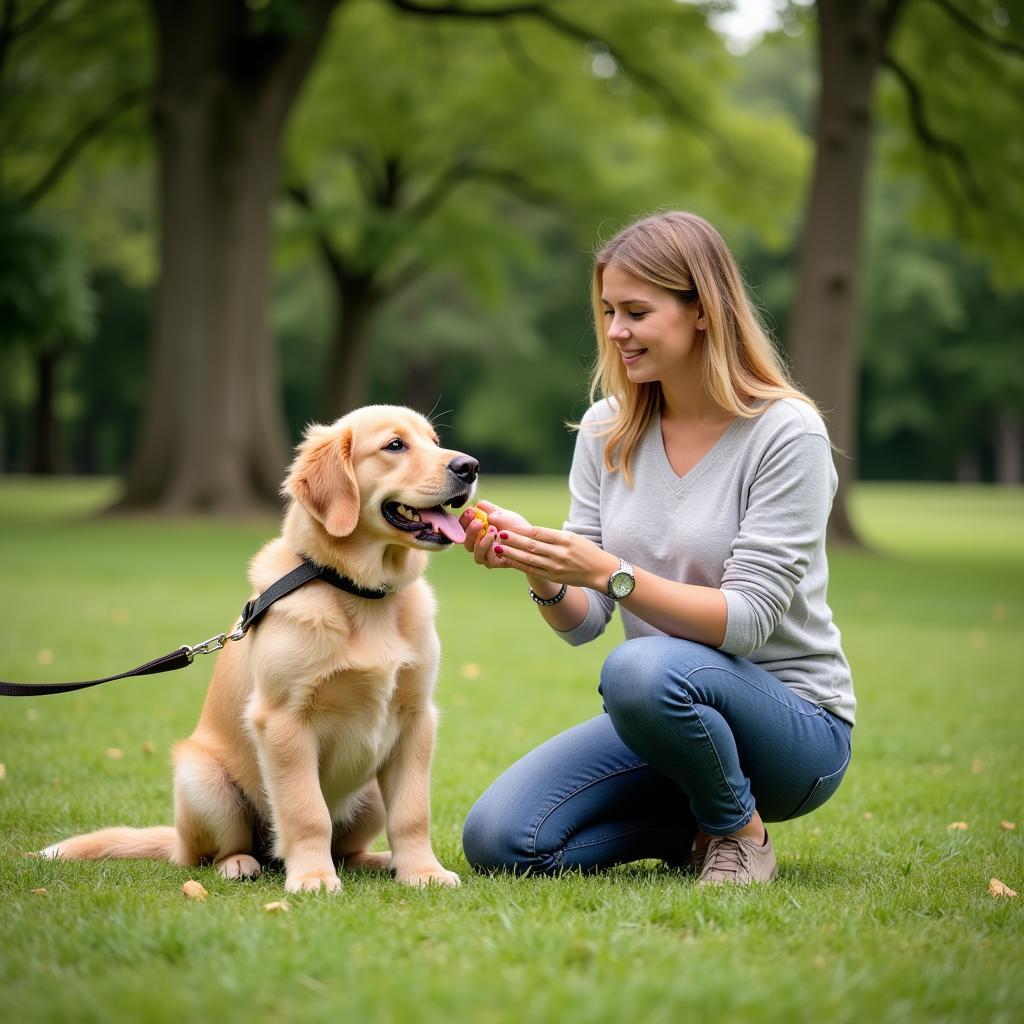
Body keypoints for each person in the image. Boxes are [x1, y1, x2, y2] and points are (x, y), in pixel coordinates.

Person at [457, 210, 854, 886]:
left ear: (702, 309)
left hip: (793, 727)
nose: (616, 332)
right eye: (609, 311)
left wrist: (610, 572)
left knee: (640, 669)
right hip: (669, 717)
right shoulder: (606, 428)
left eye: (636, 311)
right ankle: (697, 822)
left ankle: (741, 830)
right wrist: (541, 567)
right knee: (501, 841)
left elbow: (747, 620)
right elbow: (585, 623)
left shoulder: (787, 434)